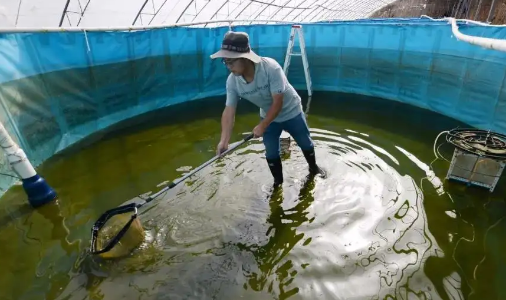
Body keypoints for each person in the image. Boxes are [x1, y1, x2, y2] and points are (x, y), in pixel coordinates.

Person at [210, 31, 326, 186]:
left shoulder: (270, 68)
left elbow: (278, 102)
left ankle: (313, 168)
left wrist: (262, 125)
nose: (229, 67)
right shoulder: (232, 82)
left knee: (305, 143)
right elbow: (229, 111)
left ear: (245, 58)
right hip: (268, 116)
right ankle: (278, 183)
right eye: (225, 62)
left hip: (291, 111)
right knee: (271, 152)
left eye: (231, 62)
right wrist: (224, 141)